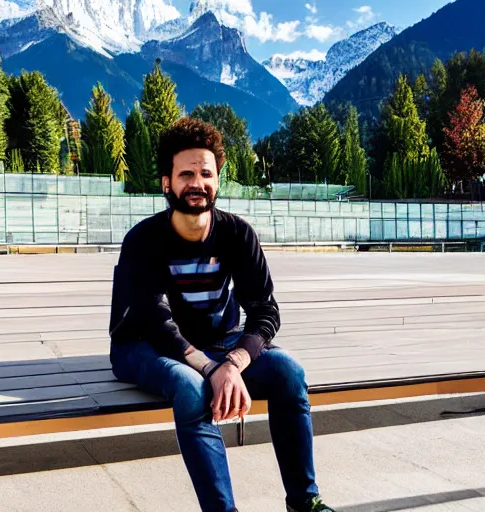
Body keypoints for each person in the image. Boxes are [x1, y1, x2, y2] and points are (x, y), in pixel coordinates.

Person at [109, 118, 336, 512]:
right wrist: (213, 370)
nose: (197, 183)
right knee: (189, 387)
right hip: (143, 344)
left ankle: (305, 501)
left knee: (289, 373)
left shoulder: (237, 234)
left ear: (218, 180)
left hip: (220, 345)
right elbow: (157, 323)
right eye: (186, 174)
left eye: (206, 173)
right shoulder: (143, 241)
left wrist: (232, 363)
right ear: (167, 183)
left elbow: (265, 312)